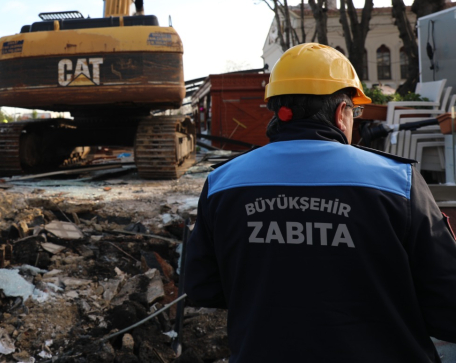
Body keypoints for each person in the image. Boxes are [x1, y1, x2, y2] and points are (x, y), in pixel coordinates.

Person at [184, 43, 456, 363]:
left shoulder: (222, 184)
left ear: (277, 110)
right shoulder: (398, 182)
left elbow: (203, 288)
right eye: (354, 112)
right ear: (342, 113)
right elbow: (448, 306)